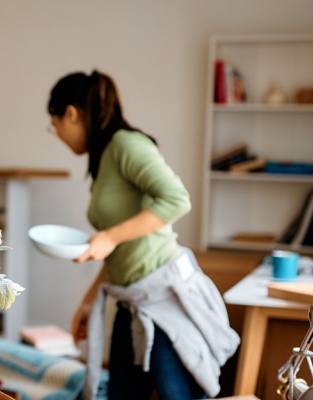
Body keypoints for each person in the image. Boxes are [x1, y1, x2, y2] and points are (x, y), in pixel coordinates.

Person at [47, 70, 240, 400]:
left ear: (72, 114)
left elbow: (177, 199)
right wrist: (90, 299)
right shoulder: (104, 157)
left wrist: (108, 237)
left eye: (55, 125)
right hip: (130, 303)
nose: (57, 134)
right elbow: (122, 243)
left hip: (164, 303)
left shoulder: (126, 144)